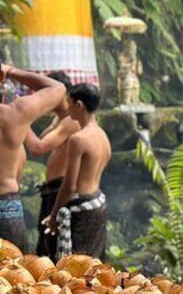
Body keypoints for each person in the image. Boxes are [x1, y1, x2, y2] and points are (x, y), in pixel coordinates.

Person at [0, 63, 65, 252]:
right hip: (6, 207)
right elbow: (57, 88)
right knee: (15, 277)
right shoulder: (14, 113)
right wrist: (12, 71)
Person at [45, 83, 111, 259]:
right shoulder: (103, 136)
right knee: (94, 262)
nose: (67, 108)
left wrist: (53, 215)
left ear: (79, 105)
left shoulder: (78, 139)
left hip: (81, 208)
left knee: (76, 265)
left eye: (69, 103)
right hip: (98, 203)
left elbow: (69, 185)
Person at [24, 71, 80, 260]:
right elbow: (40, 141)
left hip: (61, 190)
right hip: (51, 189)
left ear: (61, 93)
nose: (43, 99)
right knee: (45, 248)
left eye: (46, 93)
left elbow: (37, 149)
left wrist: (18, 118)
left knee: (53, 252)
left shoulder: (71, 121)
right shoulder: (59, 118)